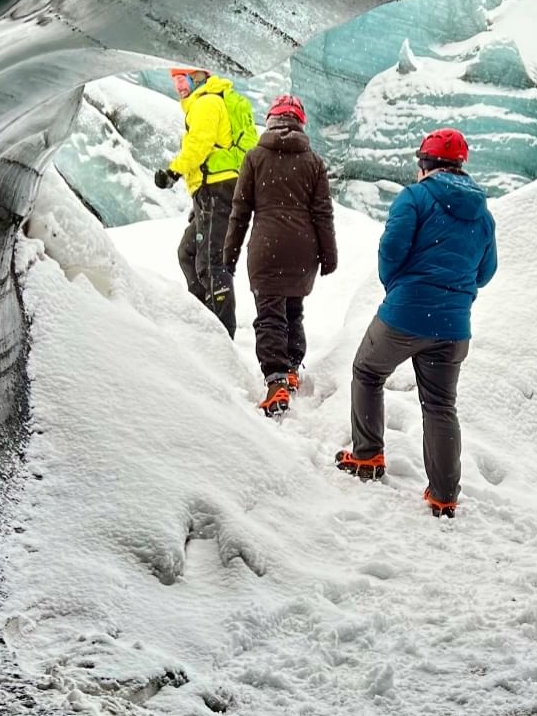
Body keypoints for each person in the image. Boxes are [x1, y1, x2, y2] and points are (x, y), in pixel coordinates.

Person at [334, 128, 497, 518]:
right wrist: (455, 292)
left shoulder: (415, 197)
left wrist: (400, 287)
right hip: (454, 326)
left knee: (367, 371)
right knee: (441, 405)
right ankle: (444, 495)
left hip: (405, 315)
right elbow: (486, 271)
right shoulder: (483, 213)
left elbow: (391, 250)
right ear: (460, 166)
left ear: (424, 164)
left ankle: (368, 456)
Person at [222, 95, 338, 417]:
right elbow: (323, 213)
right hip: (303, 250)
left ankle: (275, 382)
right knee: (293, 310)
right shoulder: (313, 161)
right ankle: (290, 368)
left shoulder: (255, 157)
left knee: (270, 314)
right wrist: (329, 256)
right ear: (301, 123)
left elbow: (240, 212)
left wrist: (229, 255)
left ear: (271, 120)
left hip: (267, 248)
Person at [153, 65, 257, 339]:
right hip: (212, 190)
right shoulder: (208, 101)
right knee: (187, 252)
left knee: (212, 263)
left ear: (196, 77)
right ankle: (203, 318)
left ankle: (220, 336)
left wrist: (173, 171)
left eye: (181, 79)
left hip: (218, 188)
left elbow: (199, 144)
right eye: (175, 81)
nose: (179, 87)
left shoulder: (207, 102)